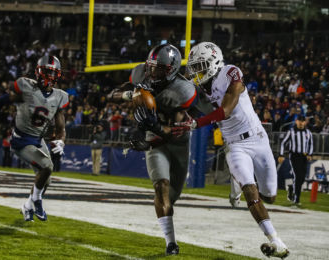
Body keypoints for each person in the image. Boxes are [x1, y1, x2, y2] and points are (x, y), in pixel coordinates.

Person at [179, 42, 289, 258]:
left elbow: (226, 110)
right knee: (252, 193)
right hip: (235, 145)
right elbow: (187, 102)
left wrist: (196, 124)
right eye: (195, 68)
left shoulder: (230, 72)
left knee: (271, 197)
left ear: (214, 62)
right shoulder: (200, 88)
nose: (197, 72)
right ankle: (275, 240)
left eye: (200, 66)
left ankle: (236, 181)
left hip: (257, 139)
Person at [108, 44, 209, 255]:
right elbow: (112, 95)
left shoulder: (183, 90)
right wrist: (131, 95)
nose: (153, 72)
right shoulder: (141, 75)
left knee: (172, 195)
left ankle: (165, 217)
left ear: (171, 69)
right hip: (155, 139)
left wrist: (153, 127)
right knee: (161, 186)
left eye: (159, 68)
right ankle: (171, 242)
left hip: (177, 140)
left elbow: (173, 131)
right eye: (151, 66)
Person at [0, 55, 68, 222]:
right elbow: (1, 101)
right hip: (21, 140)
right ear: (38, 72)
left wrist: (61, 140)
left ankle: (27, 206)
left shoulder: (60, 97)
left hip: (38, 139)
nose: (50, 77)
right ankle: (36, 200)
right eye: (47, 72)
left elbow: (61, 128)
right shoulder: (27, 88)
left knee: (46, 180)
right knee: (47, 166)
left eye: (53, 73)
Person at [278, 116, 313, 206]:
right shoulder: (291, 131)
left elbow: (310, 144)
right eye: (299, 121)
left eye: (303, 121)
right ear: (296, 121)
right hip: (294, 156)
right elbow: (283, 143)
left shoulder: (308, 132)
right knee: (297, 176)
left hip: (304, 157)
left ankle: (291, 189)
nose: (301, 123)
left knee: (302, 177)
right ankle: (296, 199)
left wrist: (310, 154)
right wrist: (281, 155)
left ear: (305, 122)